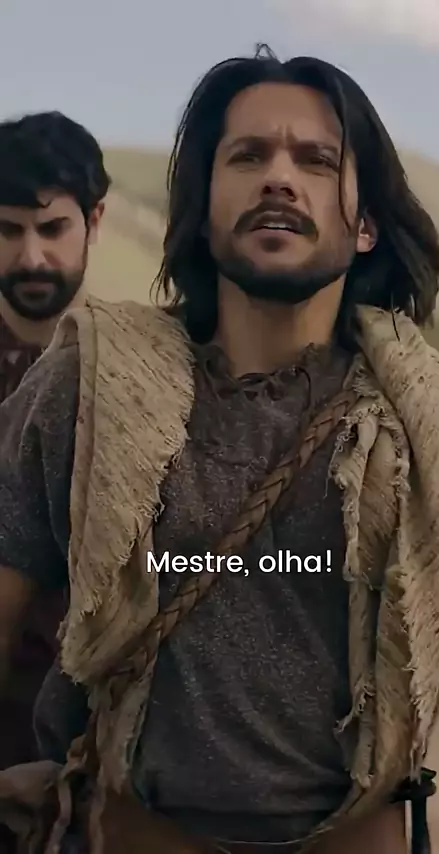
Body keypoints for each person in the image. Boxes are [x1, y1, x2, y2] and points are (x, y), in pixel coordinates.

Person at [0, 45, 439, 854]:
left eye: (316, 160)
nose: (279, 178)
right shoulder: (89, 387)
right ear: (203, 206)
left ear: (365, 223)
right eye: (248, 155)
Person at [0, 111, 109, 788]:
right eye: (8, 230)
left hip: (95, 744)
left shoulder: (137, 380)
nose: (32, 257)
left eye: (52, 229)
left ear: (94, 220)